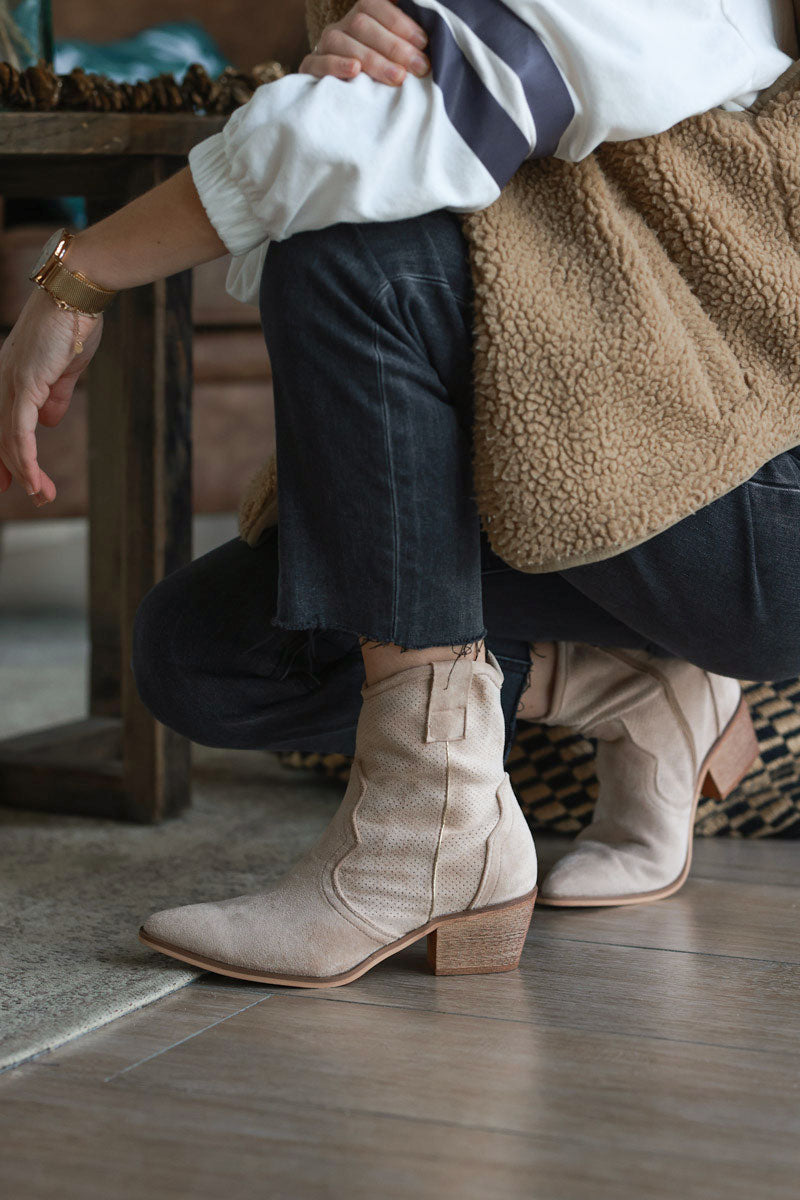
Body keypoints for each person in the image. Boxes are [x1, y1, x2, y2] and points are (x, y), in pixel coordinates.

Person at [1, 1, 798, 987]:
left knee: (347, 254)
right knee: (205, 656)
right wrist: (358, 61)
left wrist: (75, 277)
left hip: (765, 479)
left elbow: (399, 135)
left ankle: (428, 839)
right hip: (617, 436)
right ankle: (644, 693)